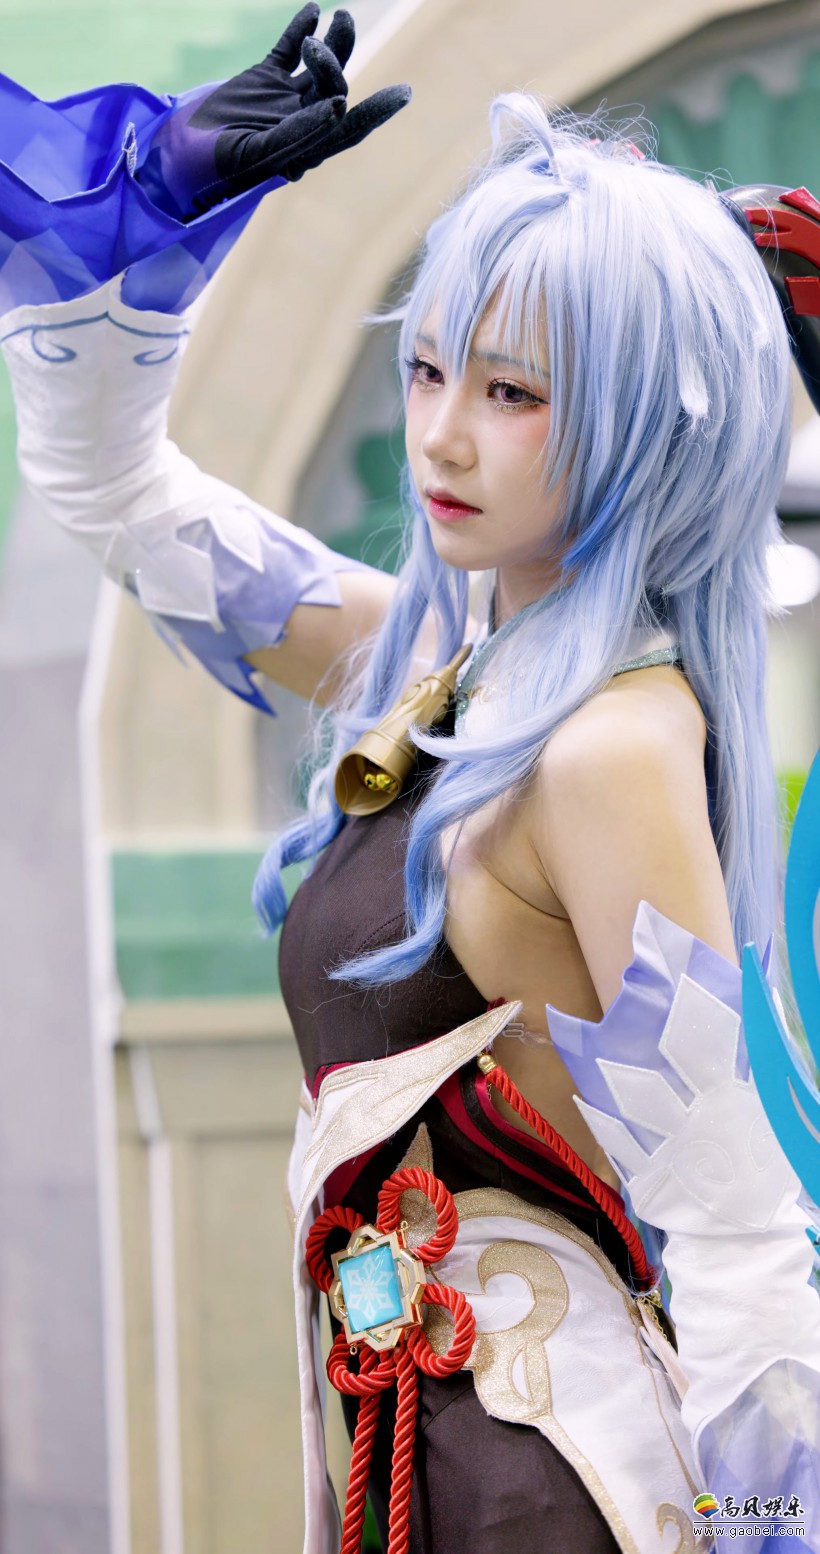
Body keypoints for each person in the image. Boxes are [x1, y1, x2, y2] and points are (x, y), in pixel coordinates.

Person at [1, 8, 819, 1550]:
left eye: (512, 393)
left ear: (651, 418)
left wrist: (775, 1524)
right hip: (403, 1469)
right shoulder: (435, 670)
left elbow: (737, 1236)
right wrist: (153, 189)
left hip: (548, 1491)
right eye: (430, 369)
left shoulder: (612, 745)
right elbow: (114, 498)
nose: (440, 437)